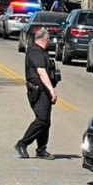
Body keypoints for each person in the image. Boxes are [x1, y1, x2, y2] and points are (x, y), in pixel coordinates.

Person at [15, 28, 57, 160]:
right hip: (38, 90)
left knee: (46, 122)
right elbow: (41, 72)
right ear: (46, 39)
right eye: (49, 38)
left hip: (43, 90)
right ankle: (22, 143)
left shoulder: (41, 52)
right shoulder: (36, 52)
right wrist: (51, 90)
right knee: (42, 120)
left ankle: (41, 150)